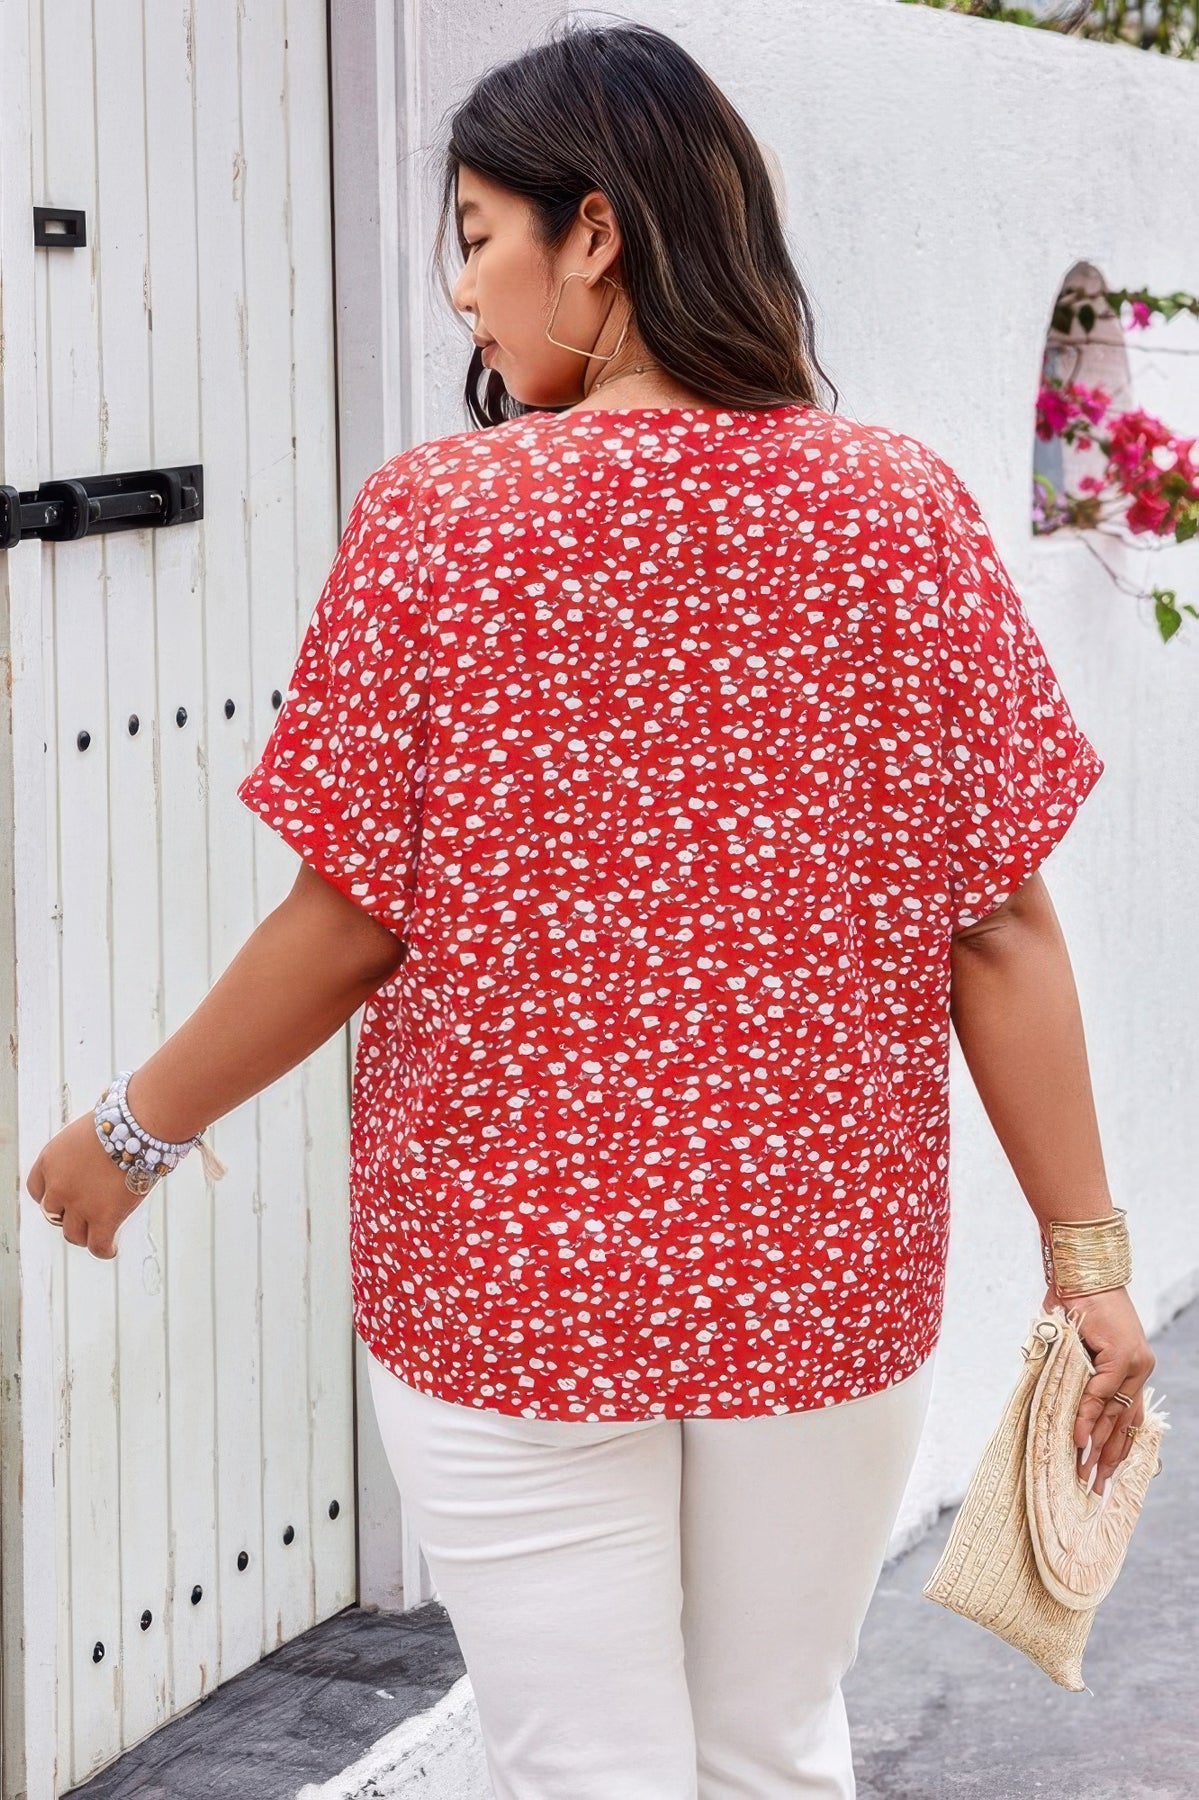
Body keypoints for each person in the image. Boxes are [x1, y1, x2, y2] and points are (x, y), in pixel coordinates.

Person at [25, 19, 1156, 1800]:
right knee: (773, 1745)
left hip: (503, 1278)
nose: (462, 290)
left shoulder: (436, 525)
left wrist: (130, 1134)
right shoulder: (901, 514)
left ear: (598, 235)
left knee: (579, 1767)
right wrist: (1089, 1266)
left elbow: (348, 920)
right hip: (816, 1272)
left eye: (480, 236)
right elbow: (999, 929)